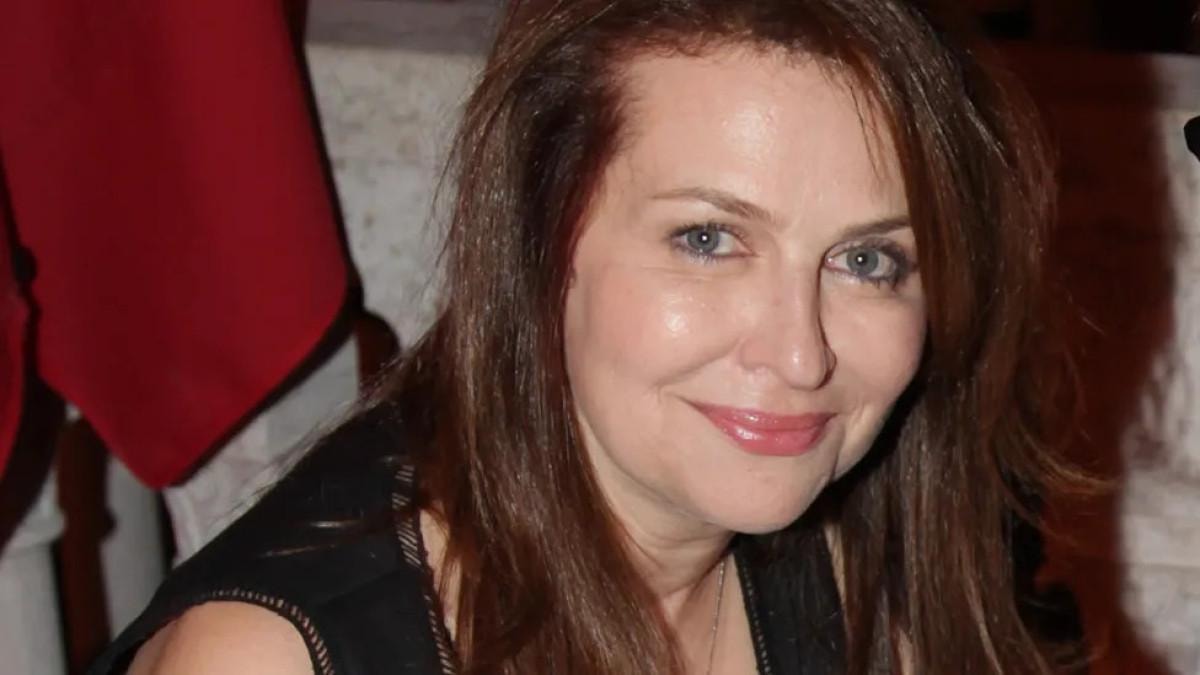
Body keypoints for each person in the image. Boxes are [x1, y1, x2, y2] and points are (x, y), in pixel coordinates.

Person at [91, 0, 1080, 673]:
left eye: (866, 260)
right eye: (707, 239)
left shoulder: (857, 538)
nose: (800, 355)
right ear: (538, 241)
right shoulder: (268, 659)